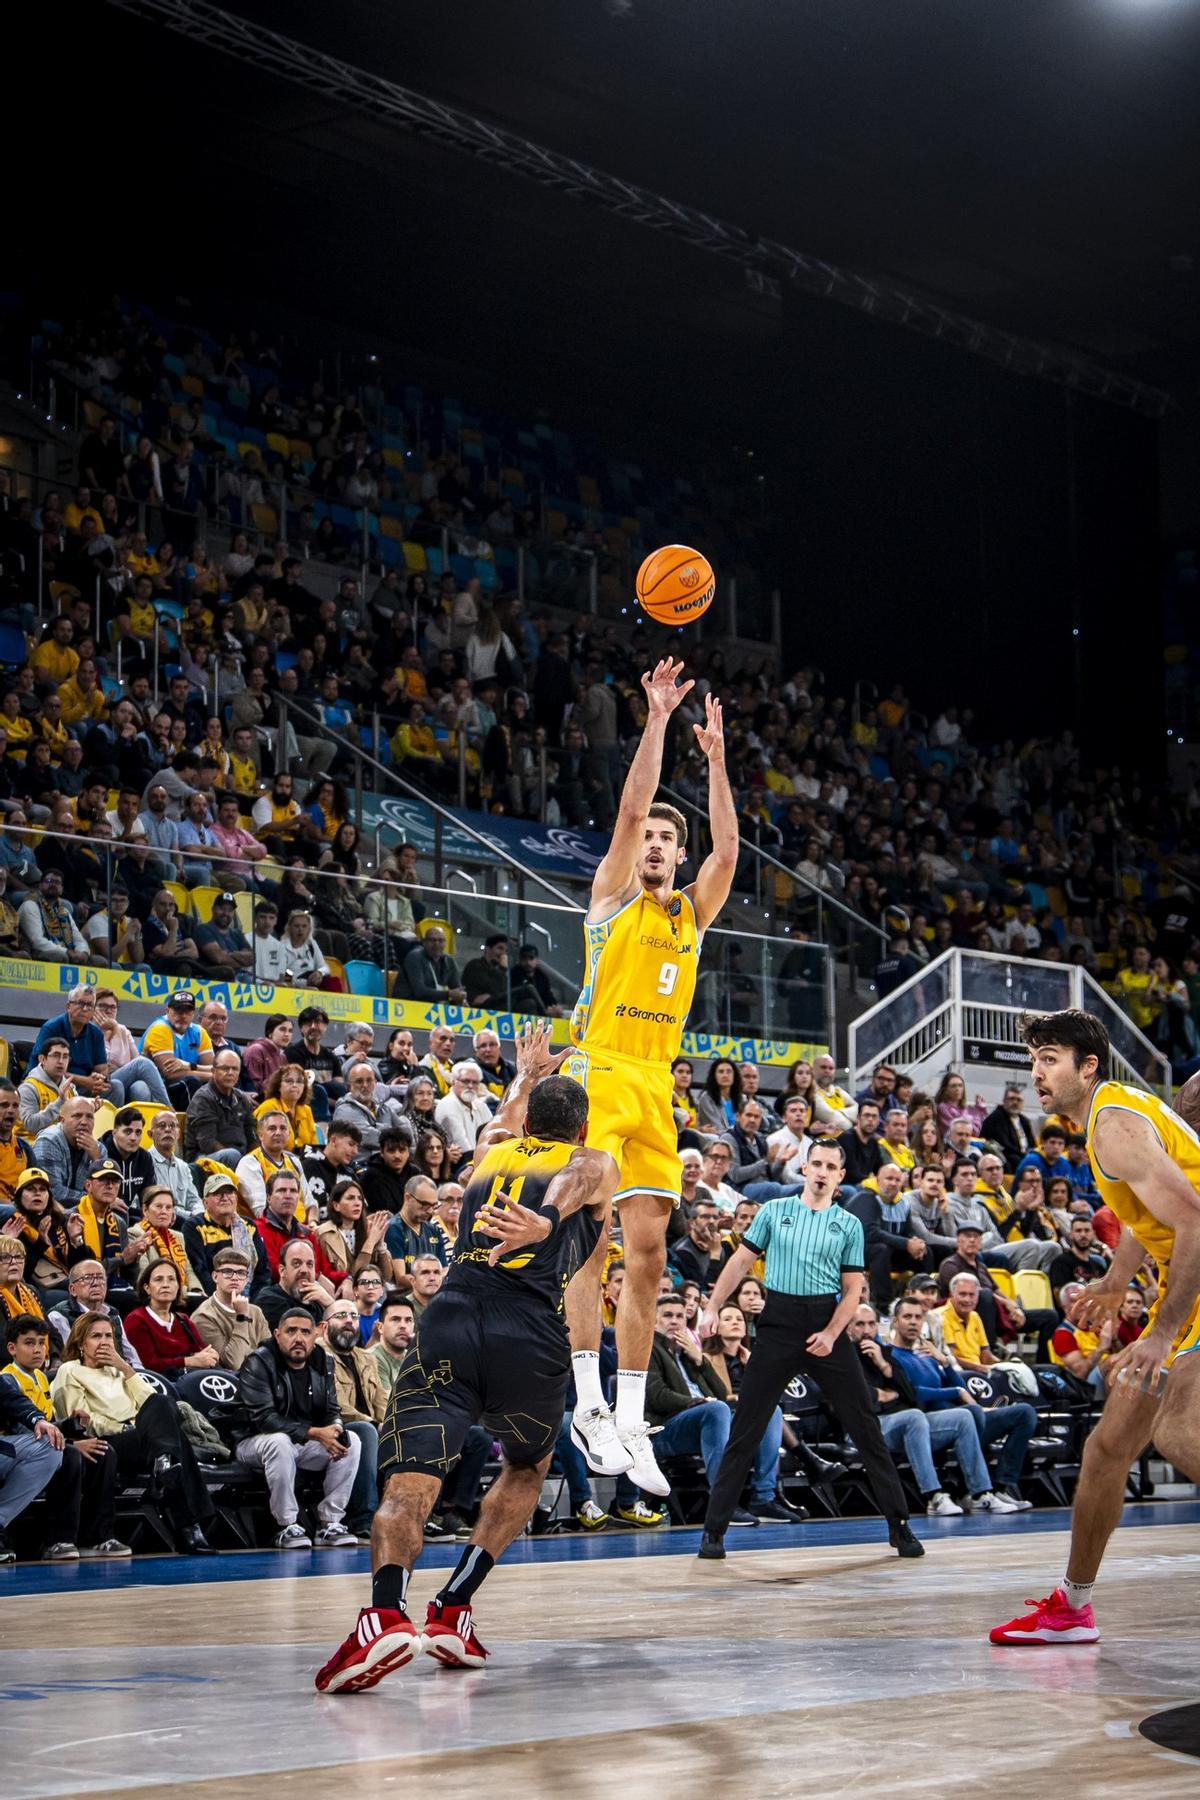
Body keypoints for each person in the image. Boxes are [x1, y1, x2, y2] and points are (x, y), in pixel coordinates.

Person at [315, 1021, 617, 1692]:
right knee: (529, 1464)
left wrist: (527, 1069)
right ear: (582, 1124)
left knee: (408, 1481)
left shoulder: (489, 1149)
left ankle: (385, 1615)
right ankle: (453, 1608)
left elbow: (513, 1113)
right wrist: (547, 1220)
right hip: (528, 1333)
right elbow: (581, 1172)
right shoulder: (590, 1161)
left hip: (450, 1319)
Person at [563, 664, 737, 1497]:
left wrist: (718, 763)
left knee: (650, 1258)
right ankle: (587, 1400)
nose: (661, 844)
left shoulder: (693, 916)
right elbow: (633, 808)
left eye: (673, 840)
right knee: (590, 1241)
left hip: (656, 1087)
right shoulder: (612, 897)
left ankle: (631, 1416)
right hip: (599, 1071)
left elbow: (730, 849)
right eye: (654, 839)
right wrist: (660, 720)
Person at [990, 1010, 1200, 1644]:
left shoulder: (1113, 1128)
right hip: (1182, 1283)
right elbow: (1151, 1215)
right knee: (1107, 1451)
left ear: (1089, 1066)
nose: (1036, 1072)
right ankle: (1072, 1609)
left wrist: (1160, 1334)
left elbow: (1194, 1224)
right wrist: (1114, 1281)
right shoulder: (1117, 1116)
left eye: (1049, 1058)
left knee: (1177, 1430)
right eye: (1033, 1060)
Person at [695, 1140, 923, 1561]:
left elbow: (854, 1289)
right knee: (746, 1427)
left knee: (866, 1427)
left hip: (826, 1324)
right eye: (815, 1163)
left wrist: (833, 1333)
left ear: (841, 1176)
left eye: (831, 1166)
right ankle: (713, 1532)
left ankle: (900, 1526)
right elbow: (739, 1264)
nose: (821, 1171)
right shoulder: (774, 1212)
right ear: (804, 1168)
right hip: (779, 1322)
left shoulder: (848, 1224)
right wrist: (711, 1307)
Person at [50, 1310, 215, 1554]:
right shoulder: (70, 1371)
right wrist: (125, 1427)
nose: (104, 1341)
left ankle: (164, 1463)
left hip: (144, 1438)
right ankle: (188, 1527)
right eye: (96, 1336)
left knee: (162, 1404)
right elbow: (82, 1420)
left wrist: (126, 1369)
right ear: (80, 1343)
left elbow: (153, 1404)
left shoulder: (118, 1370)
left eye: (108, 1336)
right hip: (109, 1438)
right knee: (173, 1440)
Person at [232, 1308, 361, 1550]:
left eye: (305, 1332)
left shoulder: (323, 1360)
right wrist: (314, 1433)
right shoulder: (258, 1361)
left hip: (301, 1442)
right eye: (291, 1331)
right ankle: (286, 1525)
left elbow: (332, 1408)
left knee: (351, 1440)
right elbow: (263, 1419)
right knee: (279, 1441)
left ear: (315, 1336)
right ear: (277, 1334)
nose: (298, 1338)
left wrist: (335, 1428)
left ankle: (330, 1522)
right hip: (253, 1442)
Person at [124, 1257, 218, 1379]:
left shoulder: (183, 1320)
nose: (165, 1285)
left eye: (171, 1279)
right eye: (158, 1279)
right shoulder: (136, 1320)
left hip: (191, 1379)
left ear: (178, 1286)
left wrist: (211, 1355)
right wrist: (188, 1361)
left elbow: (202, 1351)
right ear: (147, 1288)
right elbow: (149, 1365)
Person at [182, 1171, 264, 1295]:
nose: (225, 1197)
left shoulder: (249, 1225)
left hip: (250, 1297)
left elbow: (263, 1270)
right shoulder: (194, 1226)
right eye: (217, 1193)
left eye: (229, 1192)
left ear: (236, 1198)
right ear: (205, 1202)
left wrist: (255, 1299)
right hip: (213, 1297)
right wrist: (223, 1298)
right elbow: (200, 1270)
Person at [190, 1247, 270, 1370]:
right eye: (227, 1272)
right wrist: (241, 1317)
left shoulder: (256, 1312)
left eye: (241, 1273)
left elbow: (270, 1356)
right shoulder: (203, 1317)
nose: (235, 1278)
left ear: (247, 1279)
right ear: (215, 1276)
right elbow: (234, 1363)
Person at [139, 990, 214, 1107]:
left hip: (180, 1085)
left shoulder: (199, 1032)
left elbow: (214, 1068)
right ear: (167, 1010)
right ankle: (190, 1124)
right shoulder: (160, 1029)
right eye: (178, 1010)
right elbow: (170, 1074)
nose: (183, 1016)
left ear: (193, 1013)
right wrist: (212, 1076)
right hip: (157, 1088)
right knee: (192, 1082)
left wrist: (189, 1066)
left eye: (187, 1011)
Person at [184, 1048, 257, 1161]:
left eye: (235, 1069)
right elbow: (207, 1143)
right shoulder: (203, 1098)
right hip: (204, 1157)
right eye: (225, 1068)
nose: (230, 1073)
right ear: (213, 1071)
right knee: (231, 1155)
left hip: (240, 1157)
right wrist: (243, 1163)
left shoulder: (242, 1099)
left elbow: (252, 1138)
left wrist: (257, 1158)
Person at [433, 1060, 492, 1156]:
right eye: (465, 1081)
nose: (470, 1086)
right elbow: (462, 1146)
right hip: (462, 1163)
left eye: (475, 1082)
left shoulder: (481, 1105)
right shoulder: (448, 1105)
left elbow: (493, 1134)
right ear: (453, 1082)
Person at [371, 1295, 416, 1390]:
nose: (403, 1326)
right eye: (395, 1319)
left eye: (408, 1320)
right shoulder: (372, 1359)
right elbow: (388, 1403)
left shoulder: (414, 1356)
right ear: (380, 1327)